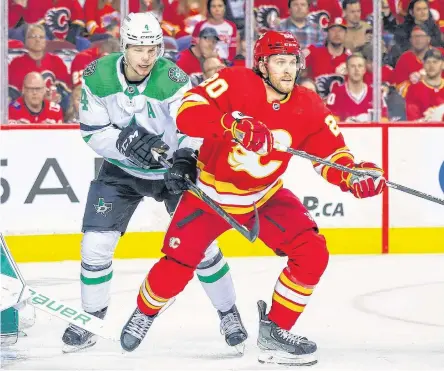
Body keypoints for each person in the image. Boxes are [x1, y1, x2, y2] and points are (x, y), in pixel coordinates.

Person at [119, 30, 386, 365]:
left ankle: (274, 329)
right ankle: (145, 312)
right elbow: (187, 112)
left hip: (263, 197)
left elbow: (332, 157)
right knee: (176, 265)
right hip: (208, 194)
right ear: (262, 64)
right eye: (279, 62)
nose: (287, 70)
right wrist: (231, 124)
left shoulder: (309, 104)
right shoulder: (235, 82)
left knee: (312, 251)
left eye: (292, 62)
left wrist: (353, 176)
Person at [61, 12, 247, 354]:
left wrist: (185, 159)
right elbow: (91, 132)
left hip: (171, 172)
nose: (146, 57)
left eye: (153, 49)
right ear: (124, 46)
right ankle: (91, 317)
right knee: (95, 247)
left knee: (202, 248)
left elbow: (193, 126)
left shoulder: (174, 80)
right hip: (121, 170)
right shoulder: (97, 75)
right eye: (138, 49)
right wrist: (122, 143)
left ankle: (228, 313)